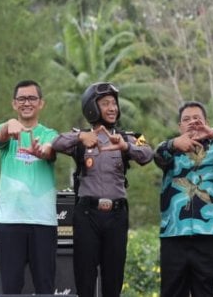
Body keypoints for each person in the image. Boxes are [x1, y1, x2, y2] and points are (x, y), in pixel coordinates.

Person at [52, 82, 153, 297]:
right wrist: (81, 137)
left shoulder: (130, 136)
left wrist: (127, 146)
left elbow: (147, 153)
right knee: (85, 280)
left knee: (113, 280)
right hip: (87, 215)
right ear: (92, 107)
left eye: (114, 103)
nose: (112, 108)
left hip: (117, 216)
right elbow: (56, 142)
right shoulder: (80, 137)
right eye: (105, 103)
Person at [154, 100, 213, 297]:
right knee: (172, 292)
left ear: (206, 122)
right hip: (174, 233)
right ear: (179, 126)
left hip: (210, 233)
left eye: (197, 118)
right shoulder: (170, 151)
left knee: (206, 292)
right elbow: (156, 155)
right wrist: (174, 144)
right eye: (186, 119)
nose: (192, 122)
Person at [0, 79, 59, 294]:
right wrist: (9, 125)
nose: (26, 103)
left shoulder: (50, 134)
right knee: (11, 288)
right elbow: (1, 134)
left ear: (41, 103)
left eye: (32, 98)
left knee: (45, 287)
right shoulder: (6, 133)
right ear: (14, 103)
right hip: (10, 221)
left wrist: (43, 151)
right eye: (21, 99)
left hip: (43, 221)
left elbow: (51, 150)